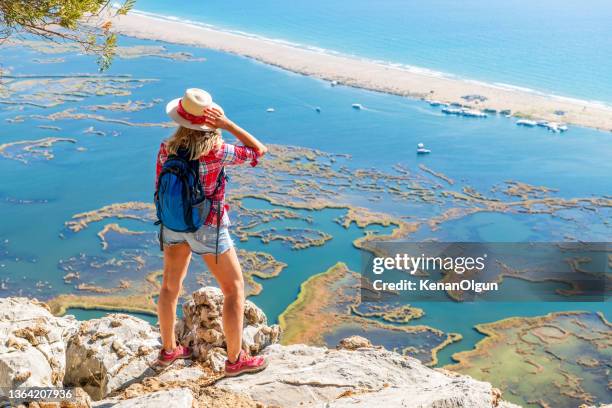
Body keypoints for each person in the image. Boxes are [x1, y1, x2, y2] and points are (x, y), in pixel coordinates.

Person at [154, 88, 268, 377]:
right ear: (209, 122)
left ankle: (169, 351)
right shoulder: (216, 151)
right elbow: (258, 151)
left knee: (169, 288)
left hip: (173, 224)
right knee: (233, 290)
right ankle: (234, 360)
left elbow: (159, 186)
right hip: (208, 227)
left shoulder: (166, 149)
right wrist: (227, 124)